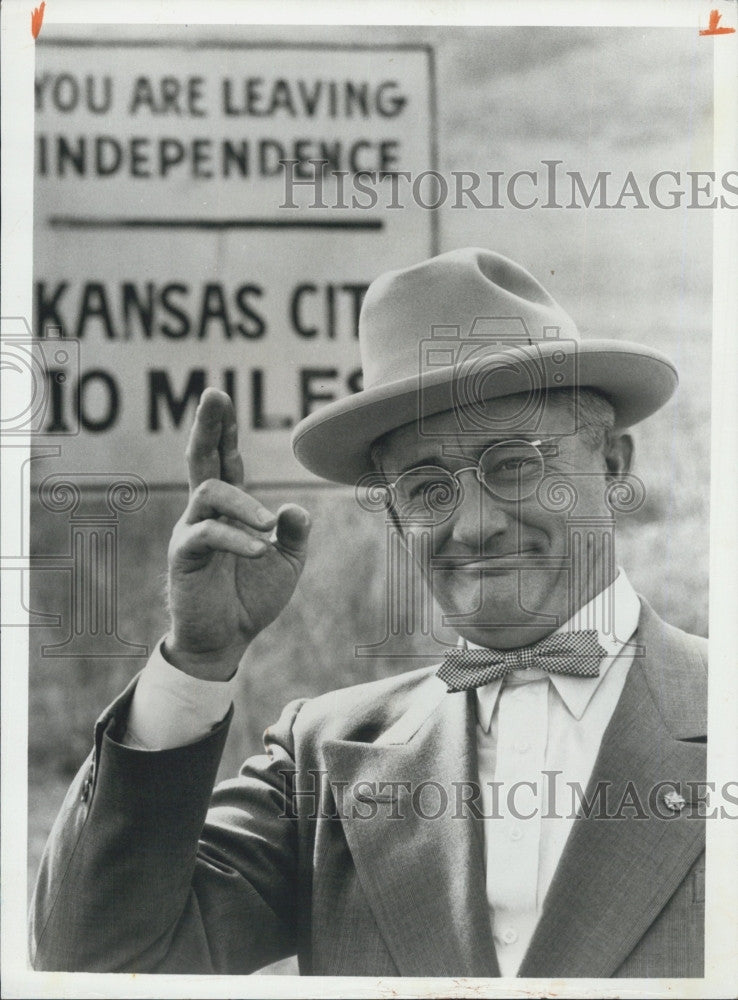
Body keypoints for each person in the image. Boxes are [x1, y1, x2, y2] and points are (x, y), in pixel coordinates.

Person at [30, 248, 707, 978]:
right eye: (425, 486)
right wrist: (196, 661)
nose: (474, 524)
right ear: (395, 517)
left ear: (611, 465)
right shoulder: (324, 757)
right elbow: (94, 956)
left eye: (514, 464)